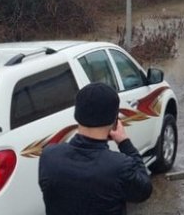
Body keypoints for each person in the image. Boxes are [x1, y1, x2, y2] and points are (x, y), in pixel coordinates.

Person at [38, 82, 153, 214]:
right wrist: (125, 143)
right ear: (114, 120)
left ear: (77, 115)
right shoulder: (119, 166)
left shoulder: (49, 156)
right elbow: (144, 191)